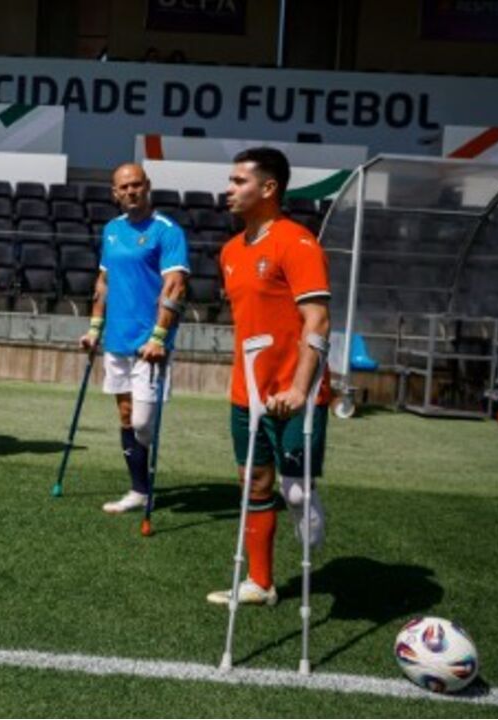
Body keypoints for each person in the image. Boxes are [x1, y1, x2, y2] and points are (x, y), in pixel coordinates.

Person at [207, 147, 331, 607]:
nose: (229, 189)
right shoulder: (229, 251)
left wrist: (299, 388)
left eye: (239, 181)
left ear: (268, 188)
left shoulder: (297, 243)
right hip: (248, 392)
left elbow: (317, 320)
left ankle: (304, 500)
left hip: (298, 392)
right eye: (231, 180)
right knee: (254, 482)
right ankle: (260, 583)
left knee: (294, 491)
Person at [79, 164, 189, 514]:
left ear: (147, 186)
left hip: (149, 343)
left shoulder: (167, 231)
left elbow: (176, 286)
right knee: (126, 415)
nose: (130, 191)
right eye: (123, 187)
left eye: (136, 185)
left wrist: (159, 336)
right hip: (117, 339)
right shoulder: (111, 230)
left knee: (142, 422)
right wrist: (94, 328)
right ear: (115, 193)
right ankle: (139, 490)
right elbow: (103, 283)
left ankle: (144, 475)